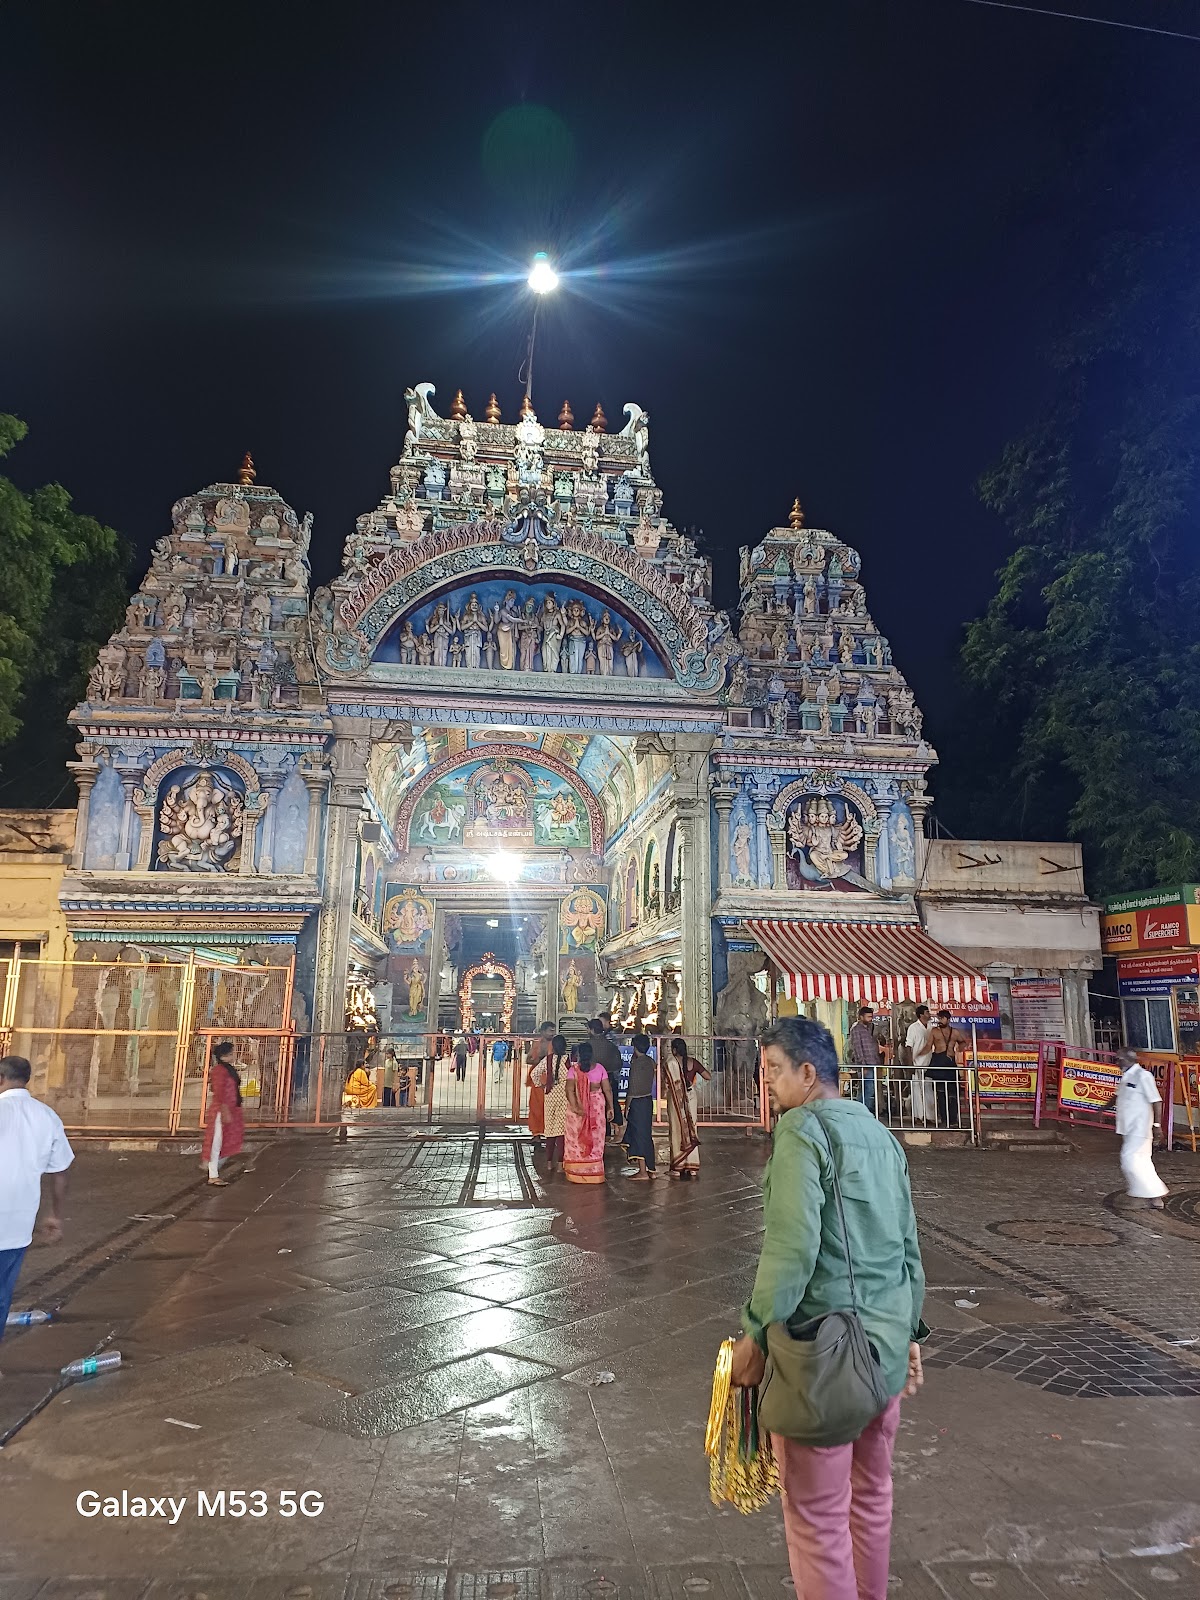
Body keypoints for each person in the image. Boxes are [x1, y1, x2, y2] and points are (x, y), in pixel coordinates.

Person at [730, 1018, 927, 1600]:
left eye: (772, 1069)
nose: (765, 1081)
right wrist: (911, 1335)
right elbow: (909, 1250)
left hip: (825, 1362)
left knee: (817, 1520)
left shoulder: (801, 1132)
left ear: (808, 1074)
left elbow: (790, 1252)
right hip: (884, 1355)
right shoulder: (880, 1134)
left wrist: (754, 1334)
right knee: (870, 1500)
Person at [0, 1055, 74, 1336]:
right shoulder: (47, 1116)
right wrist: (55, 1214)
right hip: (18, 1221)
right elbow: (60, 1171)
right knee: (2, 1293)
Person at [1114, 1049, 1168, 1208]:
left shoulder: (1143, 1076)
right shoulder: (1126, 1076)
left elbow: (1156, 1101)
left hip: (1140, 1128)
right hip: (1128, 1128)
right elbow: (1118, 1096)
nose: (1117, 1062)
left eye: (1119, 1059)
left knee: (1128, 1160)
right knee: (1142, 1162)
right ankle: (1155, 1198)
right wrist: (1102, 1109)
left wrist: (1157, 1126)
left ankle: (1146, 1194)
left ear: (1129, 1059)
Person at [563, 1040, 613, 1184]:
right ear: (591, 1055)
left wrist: (576, 1107)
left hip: (577, 1108)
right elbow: (607, 1089)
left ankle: (576, 1173)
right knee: (596, 1138)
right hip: (596, 1108)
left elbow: (569, 1090)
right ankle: (594, 1173)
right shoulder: (600, 1068)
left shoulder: (573, 1070)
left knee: (575, 1139)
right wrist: (611, 1107)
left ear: (578, 1055)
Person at [664, 1036, 709, 1179]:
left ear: (674, 1049)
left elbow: (666, 1082)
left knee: (677, 1130)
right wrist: (692, 1080)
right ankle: (692, 1167)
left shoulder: (670, 1063)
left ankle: (677, 1167)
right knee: (691, 1128)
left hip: (676, 1099)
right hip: (691, 1097)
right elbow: (708, 1076)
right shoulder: (692, 1062)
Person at [204, 1040, 247, 1184]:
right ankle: (213, 1174)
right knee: (216, 1141)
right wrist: (224, 1109)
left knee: (226, 1139)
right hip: (221, 1110)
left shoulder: (228, 1069)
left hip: (229, 1109)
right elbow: (218, 1091)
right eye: (232, 1053)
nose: (234, 1055)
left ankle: (213, 1168)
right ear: (225, 1055)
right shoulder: (219, 1071)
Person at [622, 1033, 658, 1180]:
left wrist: (627, 1105)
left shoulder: (636, 1065)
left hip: (637, 1103)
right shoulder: (650, 1062)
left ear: (634, 1047)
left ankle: (643, 1171)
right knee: (646, 1134)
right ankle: (650, 1168)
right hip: (648, 1100)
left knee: (638, 1136)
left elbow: (632, 1088)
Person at [537, 1033, 571, 1172]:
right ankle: (561, 1164)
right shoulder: (569, 1060)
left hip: (550, 1096)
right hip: (564, 1096)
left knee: (550, 1130)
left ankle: (549, 1162)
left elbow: (534, 1074)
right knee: (561, 1131)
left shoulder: (547, 1059)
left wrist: (542, 1086)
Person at [927, 1010, 967, 1126]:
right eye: (939, 1018)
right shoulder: (934, 1031)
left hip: (950, 1063)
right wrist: (918, 1055)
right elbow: (928, 1046)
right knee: (940, 1093)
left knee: (953, 1093)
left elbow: (962, 1042)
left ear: (948, 1020)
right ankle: (944, 1119)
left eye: (943, 1018)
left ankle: (953, 1120)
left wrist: (959, 1049)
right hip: (938, 1062)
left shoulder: (955, 1032)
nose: (940, 1020)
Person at [588, 1018, 624, 1139]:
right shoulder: (611, 1046)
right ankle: (611, 1132)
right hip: (610, 1079)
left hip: (592, 1083)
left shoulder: (587, 1046)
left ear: (591, 1030)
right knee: (611, 1103)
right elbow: (618, 1063)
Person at [846, 1004, 881, 1114]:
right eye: (868, 1017)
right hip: (865, 1064)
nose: (870, 1019)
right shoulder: (856, 1029)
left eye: (871, 1017)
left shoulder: (870, 1028)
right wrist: (863, 1065)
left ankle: (863, 1110)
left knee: (869, 1088)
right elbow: (857, 1048)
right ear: (861, 1017)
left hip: (873, 1062)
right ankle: (862, 1111)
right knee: (867, 1088)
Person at [904, 1004, 936, 1124]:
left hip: (928, 1063)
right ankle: (918, 1116)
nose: (929, 1014)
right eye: (927, 1012)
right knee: (917, 1090)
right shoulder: (913, 1027)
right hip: (916, 1063)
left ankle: (929, 1116)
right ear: (921, 1015)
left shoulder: (931, 1027)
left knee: (928, 1089)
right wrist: (910, 1064)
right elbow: (908, 1046)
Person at [526, 1021, 555, 1147]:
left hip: (552, 1081)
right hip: (537, 1081)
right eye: (550, 1030)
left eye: (553, 1030)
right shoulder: (537, 1044)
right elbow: (528, 1059)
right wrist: (538, 1060)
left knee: (552, 1108)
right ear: (543, 1032)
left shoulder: (556, 1044)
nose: (552, 1033)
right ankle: (536, 1134)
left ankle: (552, 1135)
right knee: (536, 1107)